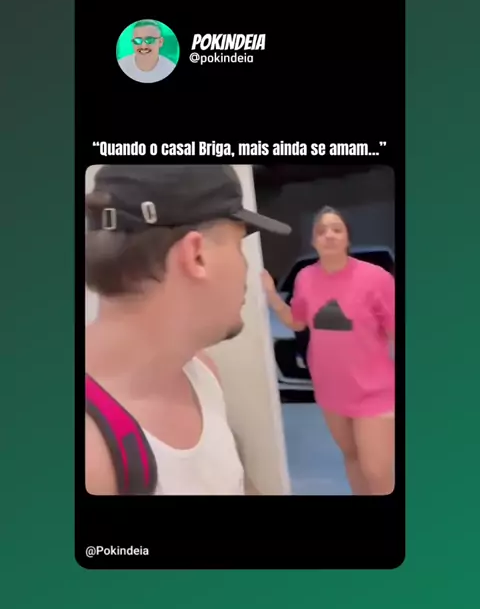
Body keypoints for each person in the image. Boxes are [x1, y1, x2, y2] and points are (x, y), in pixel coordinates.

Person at [85, 164, 291, 495]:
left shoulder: (202, 374)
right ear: (196, 256)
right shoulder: (90, 457)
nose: (245, 268)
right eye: (238, 246)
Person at [262, 206, 395, 495]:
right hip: (331, 389)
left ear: (348, 238)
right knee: (352, 457)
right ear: (313, 241)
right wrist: (271, 295)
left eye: (337, 229)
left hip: (374, 390)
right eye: (321, 231)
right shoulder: (305, 278)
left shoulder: (376, 278)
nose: (329, 235)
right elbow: (298, 322)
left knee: (376, 471)